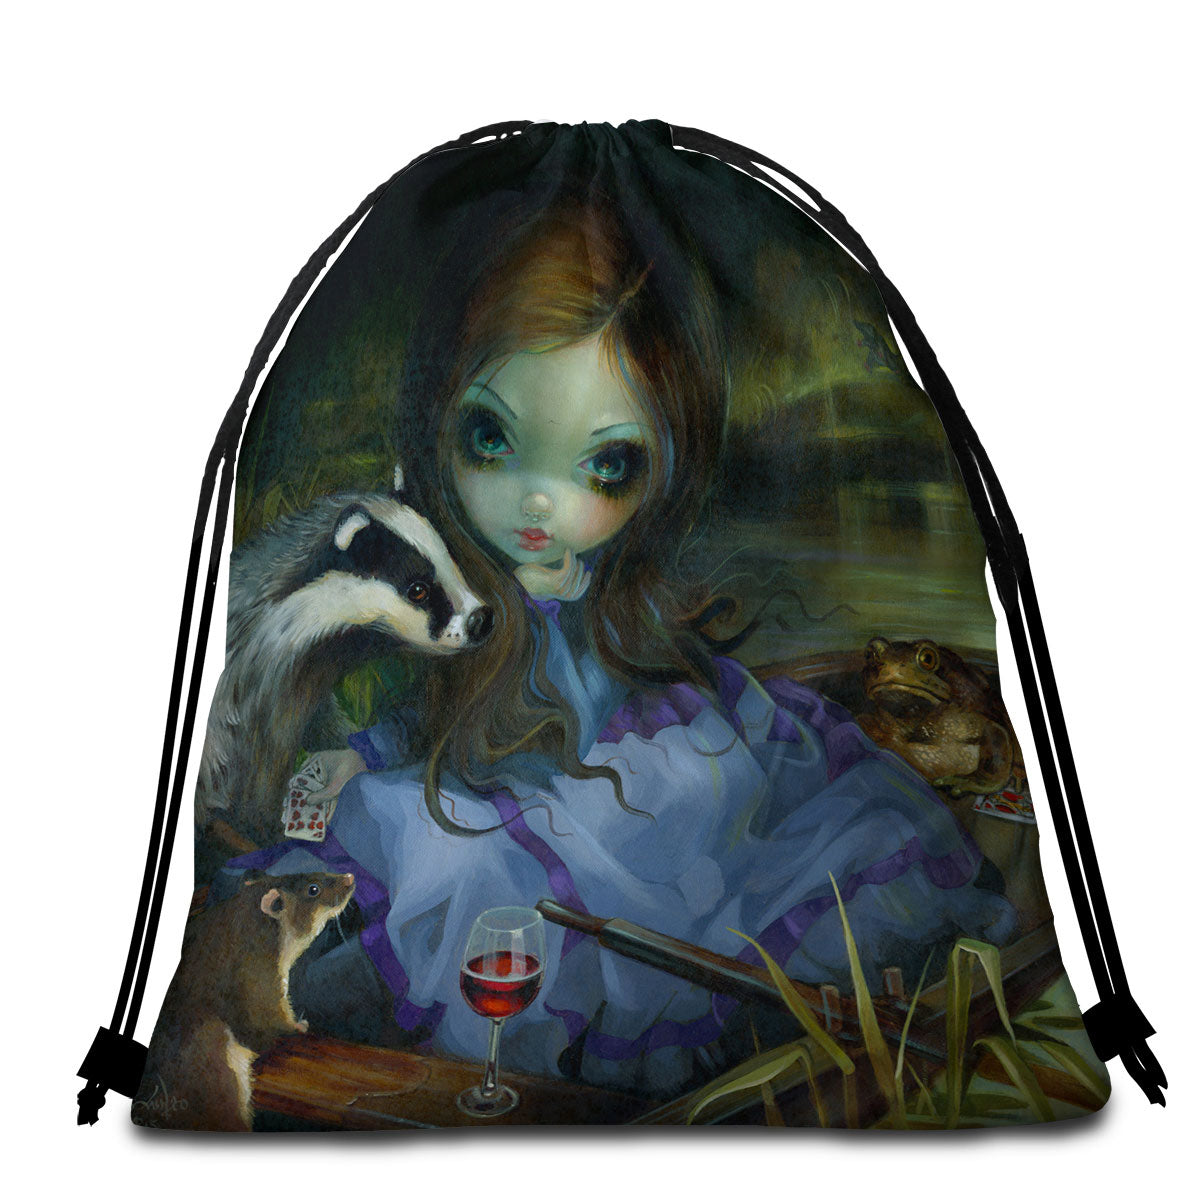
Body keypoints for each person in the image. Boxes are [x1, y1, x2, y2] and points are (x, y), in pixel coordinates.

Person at [221, 195, 1016, 1098]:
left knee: (670, 832)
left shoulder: (612, 599)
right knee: (443, 858)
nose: (539, 504)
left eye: (606, 465)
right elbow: (434, 717)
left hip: (632, 776)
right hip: (504, 794)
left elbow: (610, 695)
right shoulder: (454, 582)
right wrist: (362, 759)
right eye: (490, 438)